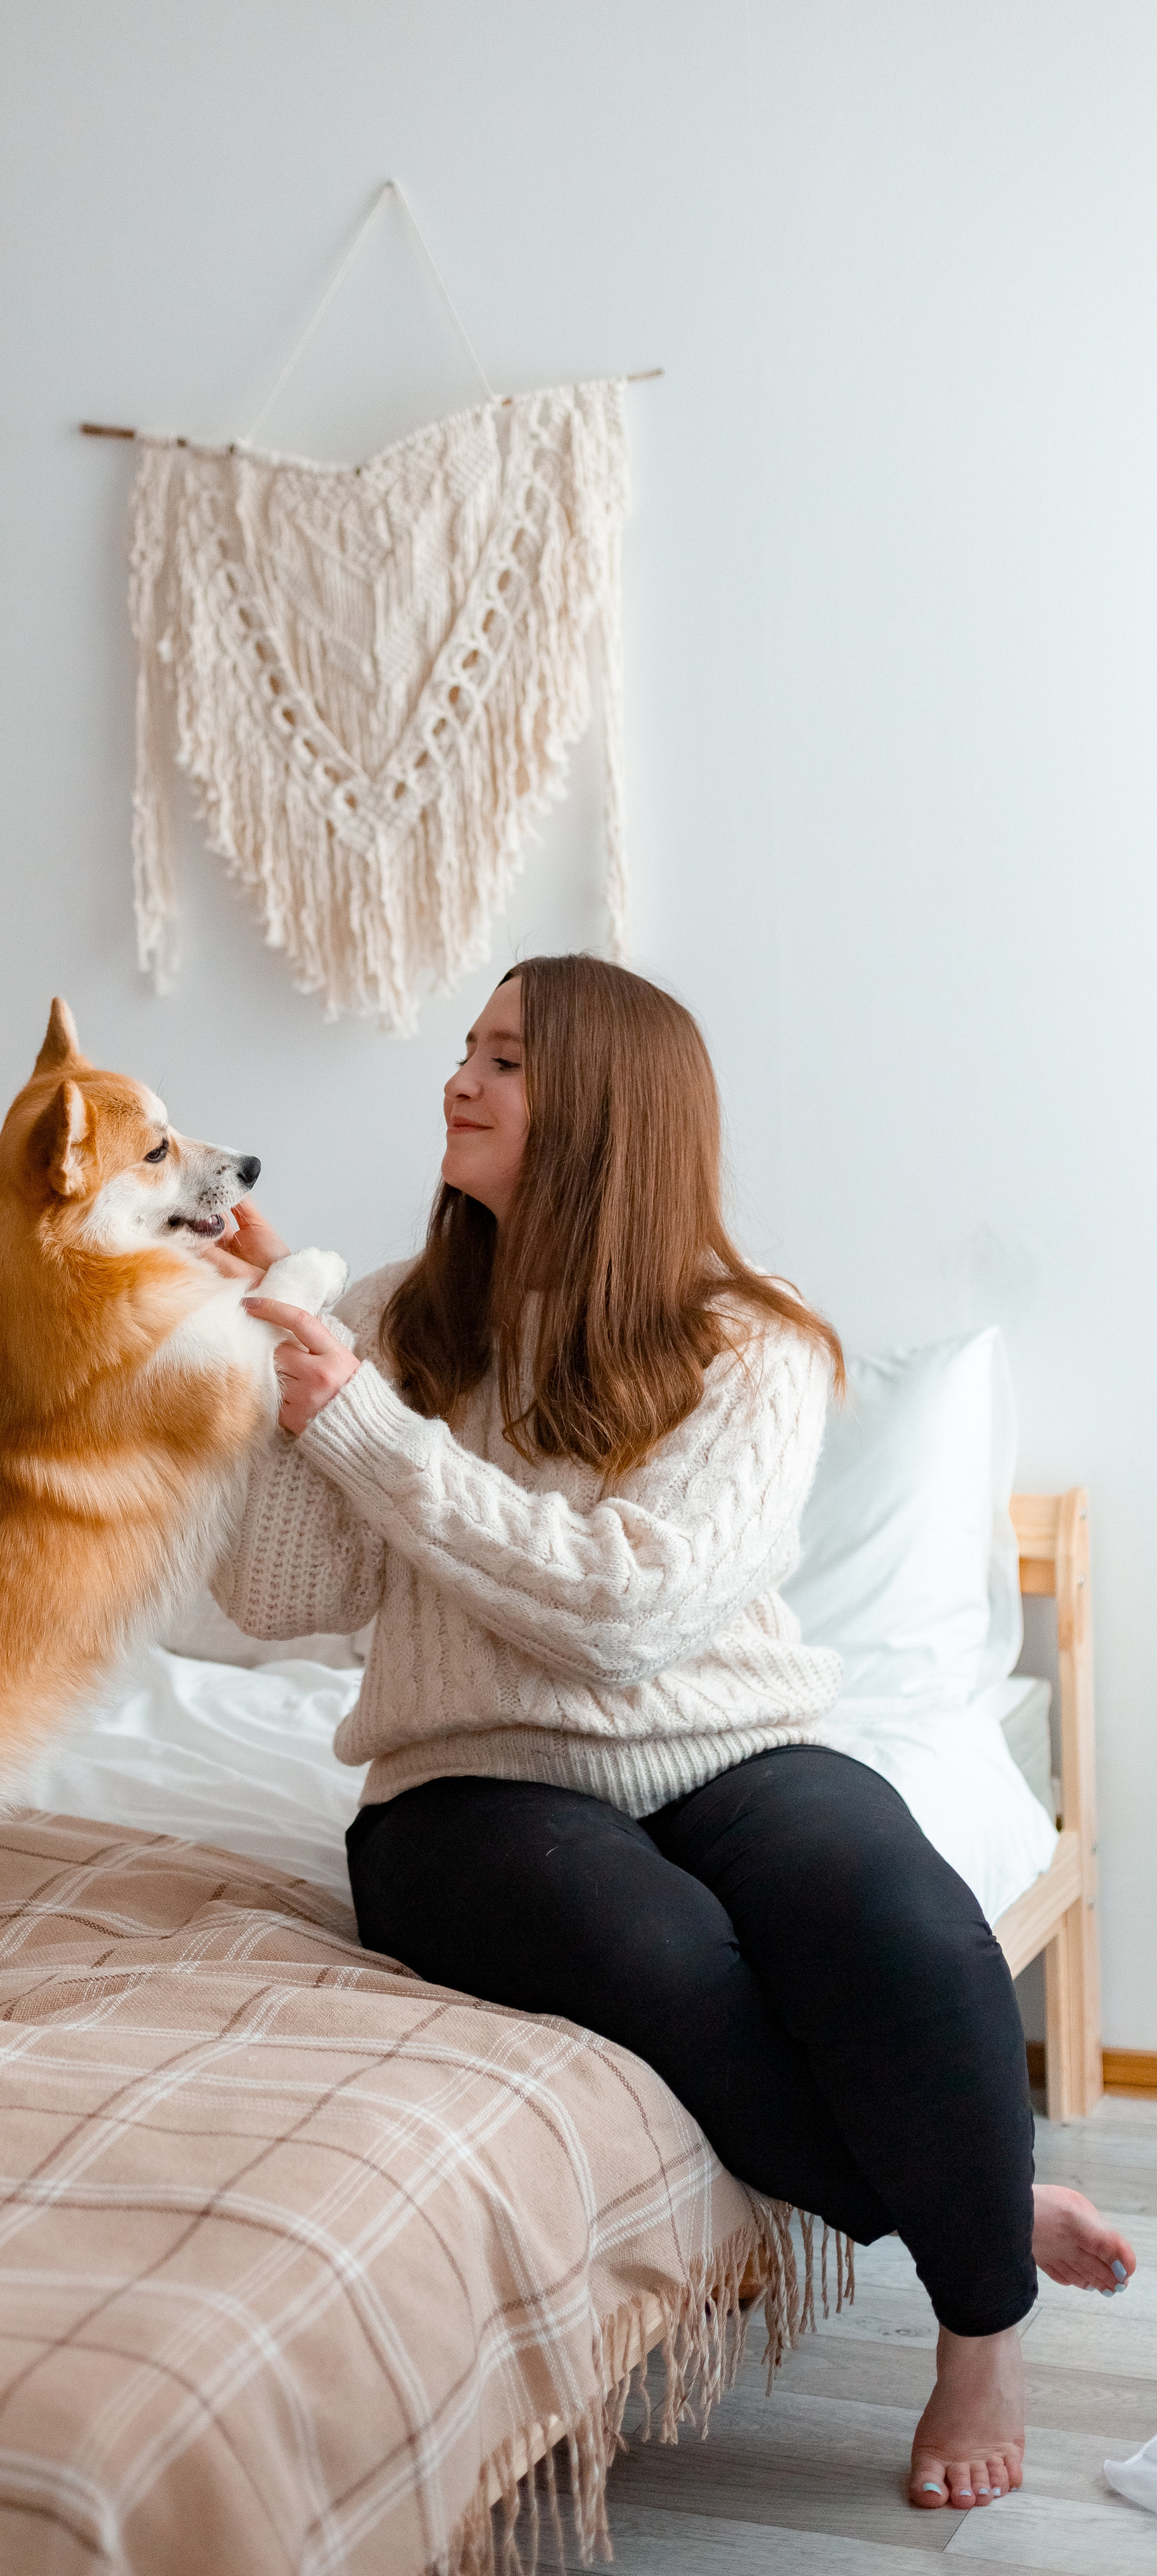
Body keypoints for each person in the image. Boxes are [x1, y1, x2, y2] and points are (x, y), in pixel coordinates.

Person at [201, 951, 1134, 2516]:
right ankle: (970, 2217)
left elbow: (624, 1612)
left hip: (723, 1747)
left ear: (606, 1113)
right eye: (467, 1050)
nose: (459, 1081)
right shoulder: (389, 1319)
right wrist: (291, 1339)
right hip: (466, 1779)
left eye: (504, 1060)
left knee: (905, 1925)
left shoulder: (749, 1347)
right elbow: (275, 1592)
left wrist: (360, 1425)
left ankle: (980, 2333)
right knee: (646, 1950)